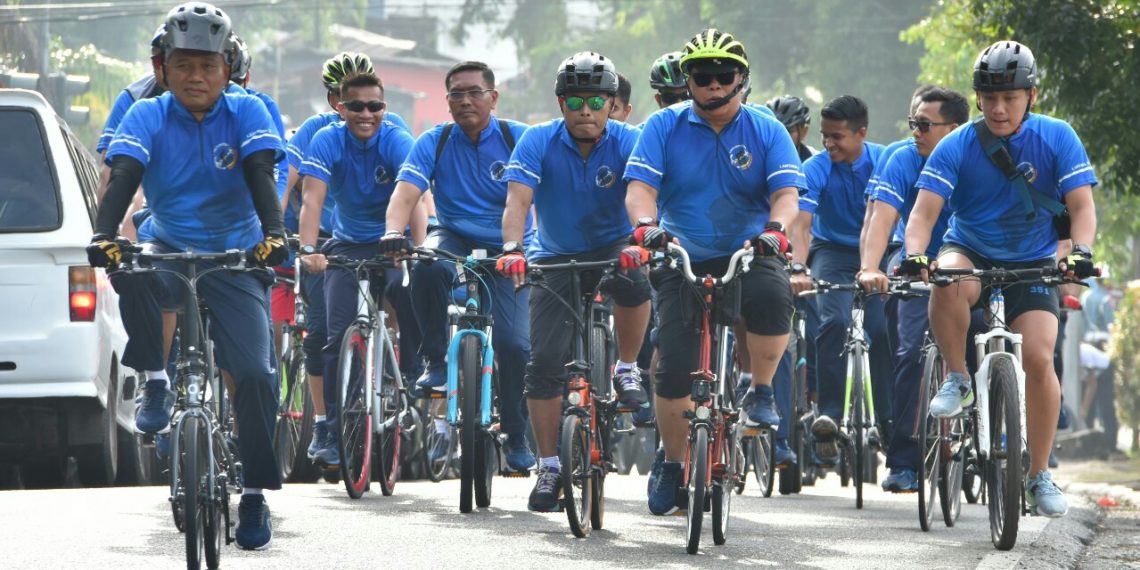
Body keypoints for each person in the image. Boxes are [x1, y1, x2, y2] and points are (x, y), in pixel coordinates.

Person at [88, 2, 284, 549]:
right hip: (169, 245)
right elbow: (123, 174)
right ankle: (155, 379)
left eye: (208, 65)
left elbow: (260, 172)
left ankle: (254, 495)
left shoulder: (247, 112)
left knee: (257, 374)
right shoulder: (146, 114)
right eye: (184, 66)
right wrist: (107, 233)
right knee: (129, 270)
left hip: (236, 254)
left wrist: (274, 233)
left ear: (227, 68)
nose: (196, 76)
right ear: (162, 70)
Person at [901, 41, 1098, 518]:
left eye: (1009, 96)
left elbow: (1081, 207)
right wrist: (914, 256)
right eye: (989, 97)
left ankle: (1039, 474)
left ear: (1032, 95)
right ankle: (957, 377)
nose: (998, 107)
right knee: (945, 278)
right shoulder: (956, 145)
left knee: (1038, 358)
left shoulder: (1057, 136)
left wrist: (1082, 254)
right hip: (970, 249)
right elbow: (923, 215)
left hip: (1031, 261)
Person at [624, 28, 805, 515]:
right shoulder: (662, 126)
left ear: (742, 79)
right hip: (681, 250)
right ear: (689, 81)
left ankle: (761, 390)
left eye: (722, 75)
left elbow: (787, 192)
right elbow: (640, 188)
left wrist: (775, 229)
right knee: (675, 362)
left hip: (749, 249)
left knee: (773, 296)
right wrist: (647, 227)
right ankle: (671, 463)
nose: (711, 85)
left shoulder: (767, 129)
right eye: (701, 76)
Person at [499, 51, 651, 512]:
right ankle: (548, 466)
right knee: (543, 362)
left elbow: (641, 193)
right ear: (561, 103)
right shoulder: (536, 140)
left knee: (634, 279)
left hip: (613, 247)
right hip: (555, 253)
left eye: (596, 100)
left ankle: (626, 367)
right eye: (576, 100)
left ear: (612, 103)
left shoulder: (631, 139)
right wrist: (512, 250)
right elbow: (517, 202)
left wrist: (639, 240)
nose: (586, 110)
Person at [382, 60, 535, 472]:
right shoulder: (435, 140)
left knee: (515, 344)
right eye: (456, 94)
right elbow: (406, 191)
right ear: (447, 101)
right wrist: (393, 230)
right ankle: (435, 360)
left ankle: (517, 434)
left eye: (474, 92)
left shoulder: (517, 138)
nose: (465, 101)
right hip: (454, 234)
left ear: (493, 97)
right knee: (427, 263)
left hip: (510, 245)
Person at [282, 52, 416, 466]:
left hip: (393, 240)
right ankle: (329, 424)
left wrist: (417, 246)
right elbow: (305, 195)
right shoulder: (319, 135)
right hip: (338, 242)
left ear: (383, 107)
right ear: (336, 103)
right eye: (354, 105)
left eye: (373, 106)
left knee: (406, 292)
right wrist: (302, 249)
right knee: (330, 335)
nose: (365, 113)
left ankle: (407, 372)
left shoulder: (395, 134)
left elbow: (415, 194)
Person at [857, 87, 968, 492]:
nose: (915, 132)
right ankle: (903, 459)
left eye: (924, 125)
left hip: (971, 263)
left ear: (954, 129)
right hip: (914, 264)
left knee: (994, 342)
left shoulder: (973, 154)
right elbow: (881, 219)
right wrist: (870, 267)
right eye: (912, 124)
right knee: (909, 354)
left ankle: (998, 436)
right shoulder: (902, 158)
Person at [792, 94, 889, 467]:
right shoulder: (816, 167)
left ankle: (887, 419)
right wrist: (799, 267)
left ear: (861, 133)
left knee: (882, 333)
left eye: (837, 137)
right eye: (824, 135)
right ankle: (829, 414)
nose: (828, 143)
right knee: (832, 321)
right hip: (831, 253)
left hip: (878, 254)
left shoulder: (883, 161)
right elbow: (802, 224)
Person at [765, 95, 816, 162]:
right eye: (772, 131)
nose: (779, 138)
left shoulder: (815, 160)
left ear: (804, 131)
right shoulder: (752, 157)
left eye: (787, 131)